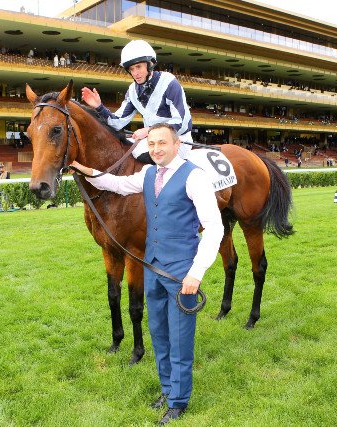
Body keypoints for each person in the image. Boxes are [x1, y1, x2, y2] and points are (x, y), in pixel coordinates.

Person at [70, 123, 224, 424]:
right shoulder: (149, 173)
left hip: (181, 273)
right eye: (151, 144)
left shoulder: (194, 176)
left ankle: (178, 401)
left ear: (176, 145)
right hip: (152, 268)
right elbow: (116, 184)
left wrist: (196, 273)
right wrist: (84, 169)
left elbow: (214, 227)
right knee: (159, 335)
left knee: (179, 340)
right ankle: (167, 390)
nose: (156, 149)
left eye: (162, 143)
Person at [81, 39, 193, 163]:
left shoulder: (169, 82)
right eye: (132, 69)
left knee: (140, 155)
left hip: (178, 141)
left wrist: (149, 130)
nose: (135, 73)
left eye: (138, 67)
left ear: (150, 64)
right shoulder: (132, 90)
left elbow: (181, 122)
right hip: (152, 141)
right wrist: (99, 107)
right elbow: (117, 122)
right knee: (121, 150)